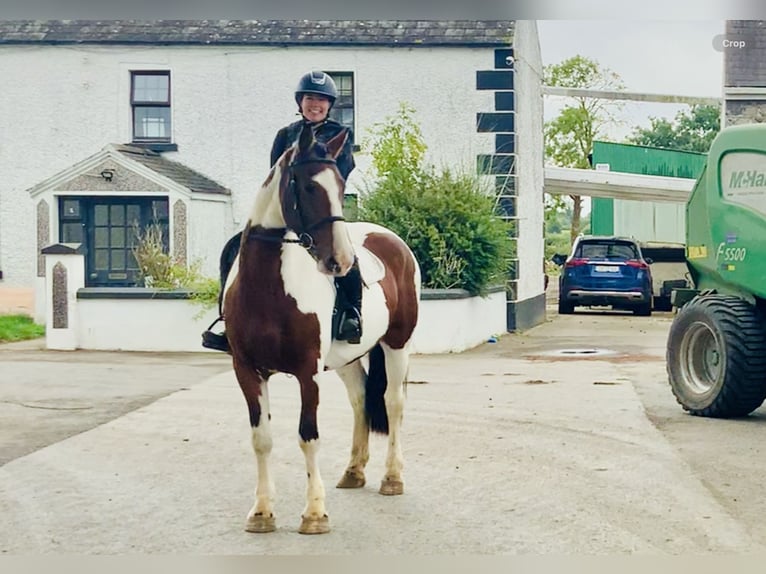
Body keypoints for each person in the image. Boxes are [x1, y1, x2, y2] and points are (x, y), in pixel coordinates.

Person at [201, 70, 362, 353]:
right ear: (300, 102)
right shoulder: (285, 135)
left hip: (321, 213)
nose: (316, 104)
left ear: (330, 105)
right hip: (287, 212)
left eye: (322, 100)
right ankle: (228, 321)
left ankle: (351, 313)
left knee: (346, 254)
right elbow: (274, 176)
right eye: (310, 98)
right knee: (232, 249)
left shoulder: (340, 135)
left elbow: (341, 172)